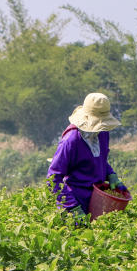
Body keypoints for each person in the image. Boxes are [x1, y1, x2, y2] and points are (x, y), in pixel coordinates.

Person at [47, 92, 128, 221]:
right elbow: (53, 178)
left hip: (97, 200)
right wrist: (72, 207)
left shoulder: (102, 134)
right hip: (75, 200)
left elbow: (99, 160)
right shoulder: (71, 141)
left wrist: (111, 175)